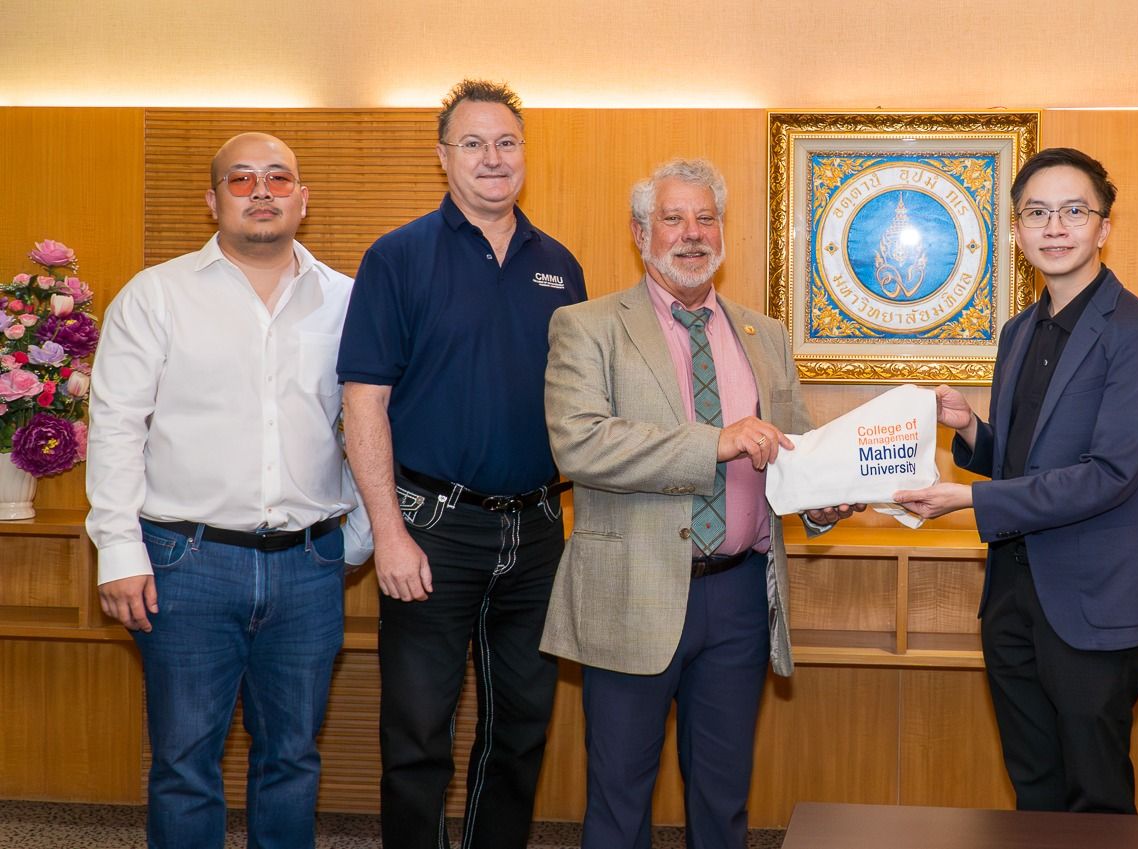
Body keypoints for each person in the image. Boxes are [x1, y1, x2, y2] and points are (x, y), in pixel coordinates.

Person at [541, 159, 860, 849]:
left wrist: (819, 501)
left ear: (722, 231)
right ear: (640, 233)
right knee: (619, 800)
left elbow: (791, 449)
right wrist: (715, 442)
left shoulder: (764, 334)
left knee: (723, 799)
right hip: (633, 590)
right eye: (673, 218)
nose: (692, 233)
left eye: (706, 218)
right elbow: (580, 444)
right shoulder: (588, 325)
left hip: (739, 596)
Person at [87, 131, 372, 849]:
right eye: (241, 179)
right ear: (212, 201)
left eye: (279, 177)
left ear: (303, 199)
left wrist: (360, 536)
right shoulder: (157, 295)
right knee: (184, 764)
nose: (262, 191)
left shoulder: (348, 301)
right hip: (185, 564)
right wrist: (118, 549)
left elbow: (372, 424)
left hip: (309, 566)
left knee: (293, 758)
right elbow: (116, 426)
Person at [337, 79, 586, 849]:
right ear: (443, 157)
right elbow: (363, 403)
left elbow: (580, 406)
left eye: (506, 142)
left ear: (524, 154)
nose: (492, 158)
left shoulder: (560, 265)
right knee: (418, 735)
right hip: (431, 530)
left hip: (537, 531)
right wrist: (389, 532)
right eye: (473, 143)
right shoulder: (397, 257)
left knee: (520, 730)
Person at [893, 148, 1138, 813]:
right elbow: (1027, 463)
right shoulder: (1020, 331)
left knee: (1096, 801)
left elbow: (1108, 475)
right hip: (1012, 598)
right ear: (1017, 232)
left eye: (1074, 211)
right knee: (1034, 791)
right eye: (1037, 213)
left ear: (1104, 227)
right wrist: (971, 430)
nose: (1055, 228)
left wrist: (969, 498)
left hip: (1090, 606)